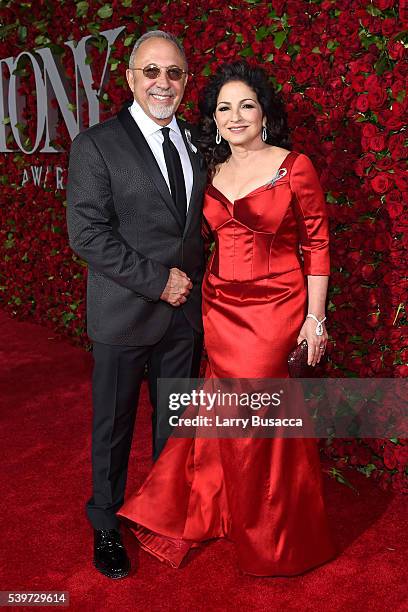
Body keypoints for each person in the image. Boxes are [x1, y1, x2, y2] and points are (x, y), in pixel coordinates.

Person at [117, 60, 337, 577]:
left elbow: (319, 245)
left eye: (246, 105)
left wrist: (315, 319)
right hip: (219, 305)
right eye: (223, 107)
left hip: (276, 305)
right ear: (212, 118)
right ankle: (230, 508)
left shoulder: (294, 166)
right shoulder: (208, 170)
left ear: (264, 113)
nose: (235, 116)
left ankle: (274, 532)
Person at [66, 31, 206, 579]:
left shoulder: (198, 140)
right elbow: (87, 233)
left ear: (186, 82)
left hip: (184, 317)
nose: (162, 83)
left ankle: (161, 514)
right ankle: (104, 523)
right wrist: (158, 281)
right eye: (151, 72)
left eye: (173, 73)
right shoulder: (97, 144)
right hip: (124, 312)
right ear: (129, 78)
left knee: (174, 424)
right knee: (113, 427)